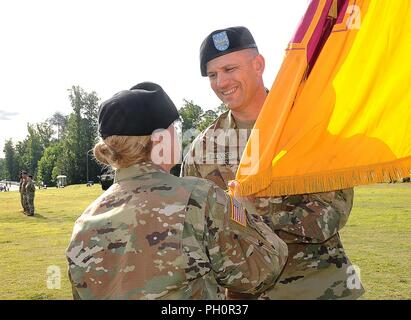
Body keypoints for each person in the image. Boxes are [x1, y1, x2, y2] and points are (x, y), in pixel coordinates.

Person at [182, 26, 364, 300]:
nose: (221, 82)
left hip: (315, 289)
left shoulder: (305, 129)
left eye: (230, 69)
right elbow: (192, 230)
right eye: (212, 75)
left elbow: (331, 213)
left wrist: (249, 217)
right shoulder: (203, 148)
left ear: (258, 65)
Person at [66, 82, 288, 300]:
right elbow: (264, 269)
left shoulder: (85, 221)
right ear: (160, 140)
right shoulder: (198, 198)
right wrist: (244, 208)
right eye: (176, 130)